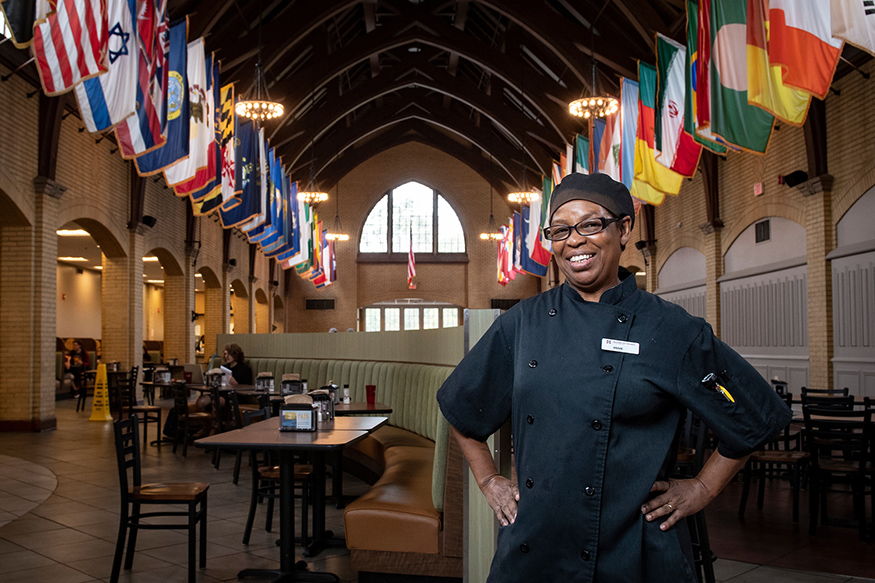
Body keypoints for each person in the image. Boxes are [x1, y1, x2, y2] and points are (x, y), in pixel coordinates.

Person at [436, 173, 792, 582]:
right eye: (560, 230)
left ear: (623, 229)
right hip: (536, 545)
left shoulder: (669, 329)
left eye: (590, 224)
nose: (574, 241)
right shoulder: (522, 324)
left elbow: (753, 414)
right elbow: (462, 406)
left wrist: (702, 488)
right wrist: (489, 480)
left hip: (632, 547)